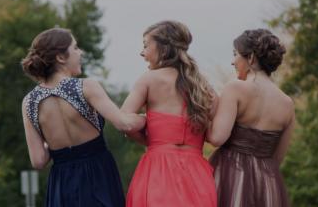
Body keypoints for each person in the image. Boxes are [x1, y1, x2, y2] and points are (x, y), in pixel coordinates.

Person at [21, 27, 145, 207]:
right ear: (61, 57)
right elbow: (124, 124)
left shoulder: (29, 101)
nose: (81, 52)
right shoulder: (86, 87)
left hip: (61, 182)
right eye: (76, 48)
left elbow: (38, 160)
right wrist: (150, 118)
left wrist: (55, 142)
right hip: (97, 175)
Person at [122, 21, 218, 207]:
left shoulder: (148, 80)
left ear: (163, 48)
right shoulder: (206, 88)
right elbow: (213, 129)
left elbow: (124, 120)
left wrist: (149, 132)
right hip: (197, 174)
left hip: (158, 170)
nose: (142, 53)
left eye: (145, 45)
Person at [208, 29, 294, 207]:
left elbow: (216, 138)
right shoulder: (287, 103)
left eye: (235, 55)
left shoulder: (236, 88)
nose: (233, 62)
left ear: (251, 58)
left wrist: (208, 113)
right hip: (268, 184)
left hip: (230, 176)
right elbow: (277, 158)